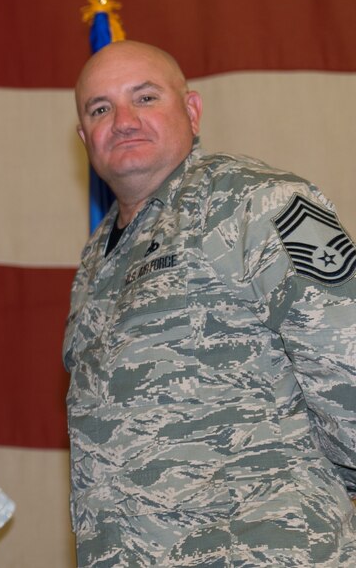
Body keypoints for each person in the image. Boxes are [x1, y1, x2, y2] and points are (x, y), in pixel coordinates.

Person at [65, 40, 356, 565]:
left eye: (146, 98)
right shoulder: (97, 258)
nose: (124, 120)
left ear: (192, 111)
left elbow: (348, 366)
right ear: (85, 137)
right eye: (101, 108)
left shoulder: (260, 203)